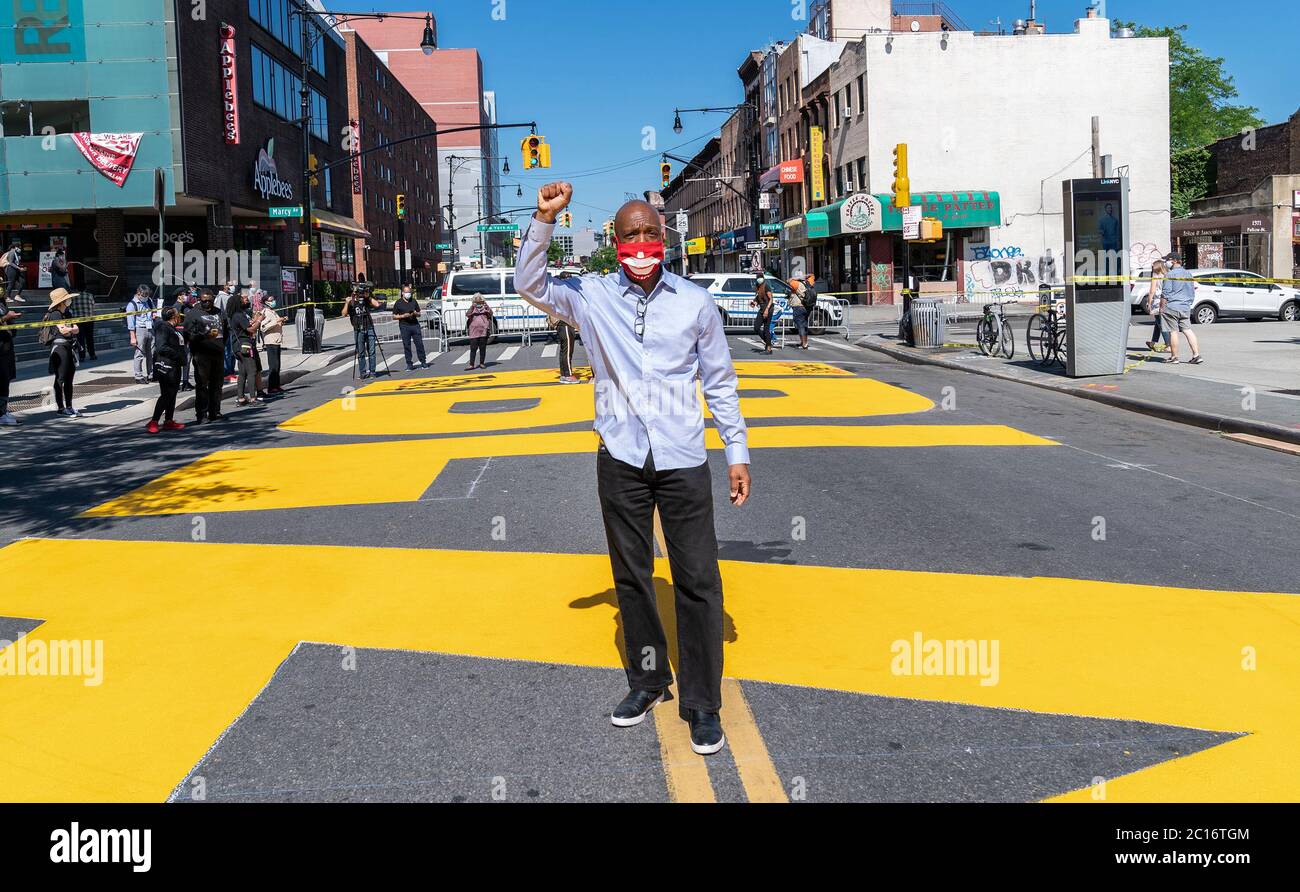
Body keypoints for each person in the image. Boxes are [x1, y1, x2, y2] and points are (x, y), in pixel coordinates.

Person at [516, 181, 751, 756]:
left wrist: (736, 451)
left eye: (650, 231)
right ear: (614, 241)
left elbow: (719, 382)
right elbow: (529, 285)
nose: (642, 241)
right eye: (631, 234)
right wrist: (544, 219)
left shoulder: (695, 302)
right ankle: (647, 683)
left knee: (698, 579)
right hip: (620, 455)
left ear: (663, 237)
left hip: (682, 458)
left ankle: (703, 704)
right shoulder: (590, 296)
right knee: (632, 577)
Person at [184, 290, 227, 424]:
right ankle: (201, 414)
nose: (207, 303)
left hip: (218, 353)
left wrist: (220, 346)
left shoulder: (219, 312)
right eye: (204, 301)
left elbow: (225, 331)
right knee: (202, 385)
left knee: (217, 384)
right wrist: (203, 336)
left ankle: (215, 411)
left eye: (209, 300)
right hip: (202, 355)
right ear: (200, 300)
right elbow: (188, 335)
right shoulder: (192, 314)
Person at [1157, 253, 1204, 365]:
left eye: (1167, 260)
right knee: (1187, 330)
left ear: (1174, 261)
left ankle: (1174, 357)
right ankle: (1196, 355)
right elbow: (1192, 291)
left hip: (1172, 307)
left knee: (1173, 331)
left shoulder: (1169, 275)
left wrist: (1161, 307)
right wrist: (1188, 303)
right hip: (1185, 306)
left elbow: (1165, 293)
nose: (1165, 263)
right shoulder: (1188, 274)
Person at [146, 307, 186, 433]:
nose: (180, 316)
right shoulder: (164, 327)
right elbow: (161, 347)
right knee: (167, 394)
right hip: (166, 366)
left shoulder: (173, 328)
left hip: (175, 365)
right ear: (173, 316)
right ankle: (154, 421)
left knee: (173, 393)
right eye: (178, 314)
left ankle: (169, 420)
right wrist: (177, 355)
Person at [43, 288, 81, 417]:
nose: (69, 300)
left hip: (69, 347)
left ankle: (69, 406)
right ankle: (61, 407)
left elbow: (76, 329)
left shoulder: (68, 313)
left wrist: (69, 328)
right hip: (59, 348)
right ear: (62, 301)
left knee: (70, 378)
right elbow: (63, 330)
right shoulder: (55, 314)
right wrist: (70, 329)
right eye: (67, 299)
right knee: (60, 377)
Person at [229, 290, 263, 406]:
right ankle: (253, 398)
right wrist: (259, 321)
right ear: (238, 303)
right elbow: (251, 330)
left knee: (243, 372)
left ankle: (241, 398)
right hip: (244, 346)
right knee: (252, 370)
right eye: (244, 299)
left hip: (238, 346)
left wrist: (254, 320)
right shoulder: (238, 315)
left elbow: (246, 326)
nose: (246, 300)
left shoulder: (237, 315)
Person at [342, 286, 382, 379]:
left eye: (359, 293)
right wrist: (347, 303)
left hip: (369, 327)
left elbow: (377, 305)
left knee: (371, 351)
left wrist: (368, 296)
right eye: (355, 293)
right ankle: (363, 372)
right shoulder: (351, 302)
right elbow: (343, 314)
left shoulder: (365, 300)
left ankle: (372, 371)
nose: (357, 295)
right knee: (361, 352)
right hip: (358, 329)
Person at [125, 285, 157, 383]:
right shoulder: (132, 305)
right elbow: (130, 323)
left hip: (150, 328)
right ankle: (138, 376)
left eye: (147, 295)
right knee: (139, 354)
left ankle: (151, 374)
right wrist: (133, 337)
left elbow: (154, 310)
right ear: (138, 293)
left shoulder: (149, 300)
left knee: (151, 353)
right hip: (139, 330)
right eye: (144, 295)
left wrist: (154, 314)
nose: (146, 297)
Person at [392, 284, 428, 371]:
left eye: (409, 292)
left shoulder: (413, 301)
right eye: (407, 292)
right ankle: (409, 364)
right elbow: (394, 316)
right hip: (404, 326)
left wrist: (415, 313)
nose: (408, 294)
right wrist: (403, 316)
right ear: (403, 293)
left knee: (419, 344)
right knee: (407, 345)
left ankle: (423, 361)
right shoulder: (398, 303)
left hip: (415, 325)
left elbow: (419, 313)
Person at [259, 292, 286, 394]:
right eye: (270, 300)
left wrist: (281, 321)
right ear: (266, 302)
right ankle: (271, 387)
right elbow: (263, 327)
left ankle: (277, 385)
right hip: (270, 341)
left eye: (273, 299)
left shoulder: (272, 311)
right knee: (273, 365)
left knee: (277, 365)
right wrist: (276, 321)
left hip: (277, 341)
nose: (273, 301)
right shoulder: (265, 312)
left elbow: (275, 323)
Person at [0, 292, 18, 425]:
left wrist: (11, 319)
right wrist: (6, 317)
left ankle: (3, 411)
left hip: (6, 349)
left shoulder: (2, 303)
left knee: (5, 381)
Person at [1143, 260, 1168, 353]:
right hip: (1166, 301)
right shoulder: (1167, 275)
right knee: (1158, 324)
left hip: (1157, 302)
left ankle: (1168, 345)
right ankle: (1152, 343)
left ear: (1156, 267)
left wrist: (1149, 303)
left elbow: (1152, 291)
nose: (1152, 268)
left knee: (1161, 325)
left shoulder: (1155, 276)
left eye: (1153, 266)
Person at [465, 293, 493, 370]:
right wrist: (472, 306)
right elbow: (467, 314)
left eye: (480, 302)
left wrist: (486, 306)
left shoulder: (485, 308)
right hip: (474, 331)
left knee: (482, 348)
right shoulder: (472, 308)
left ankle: (482, 363)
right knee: (473, 348)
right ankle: (471, 364)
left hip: (483, 331)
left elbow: (491, 313)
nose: (478, 304)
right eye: (476, 302)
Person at [217, 280, 238, 382]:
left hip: (234, 326)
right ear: (225, 286)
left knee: (233, 350)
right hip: (226, 327)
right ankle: (227, 373)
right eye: (230, 285)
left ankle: (232, 371)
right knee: (227, 351)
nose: (232, 287)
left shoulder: (231, 296)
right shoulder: (220, 297)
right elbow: (217, 312)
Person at [69, 286, 96, 361]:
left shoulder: (73, 297)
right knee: (90, 338)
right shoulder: (90, 295)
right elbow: (93, 306)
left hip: (78, 321)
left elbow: (70, 307)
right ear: (85, 288)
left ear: (77, 289)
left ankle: (82, 356)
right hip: (89, 319)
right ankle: (92, 355)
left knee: (80, 339)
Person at [553, 312, 579, 383]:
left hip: (563, 325)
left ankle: (564, 374)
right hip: (565, 325)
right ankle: (568, 375)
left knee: (564, 351)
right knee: (567, 352)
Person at [787, 276, 811, 350]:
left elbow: (788, 281)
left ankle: (804, 344)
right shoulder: (807, 284)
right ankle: (804, 342)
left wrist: (794, 278)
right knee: (804, 325)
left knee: (800, 326)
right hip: (805, 307)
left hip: (798, 307)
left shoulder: (796, 284)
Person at [751, 280, 774, 354]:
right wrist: (754, 303)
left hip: (768, 309)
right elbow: (758, 298)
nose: (759, 279)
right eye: (758, 277)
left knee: (766, 329)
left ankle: (769, 348)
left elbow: (771, 299)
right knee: (756, 327)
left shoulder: (766, 286)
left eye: (760, 277)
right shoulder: (758, 287)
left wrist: (767, 310)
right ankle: (768, 343)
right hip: (761, 309)